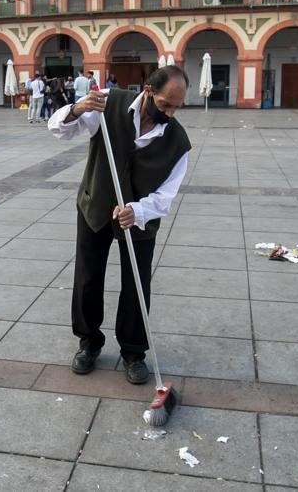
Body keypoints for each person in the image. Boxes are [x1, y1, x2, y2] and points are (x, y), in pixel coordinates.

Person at [49, 65, 192, 386]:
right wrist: (76, 108)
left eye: (176, 107)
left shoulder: (178, 142)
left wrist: (138, 211)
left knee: (137, 285)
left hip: (138, 218)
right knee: (87, 277)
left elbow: (166, 196)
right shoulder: (108, 103)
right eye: (165, 104)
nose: (169, 113)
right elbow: (60, 130)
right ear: (148, 90)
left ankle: (133, 351)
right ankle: (88, 342)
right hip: (95, 204)